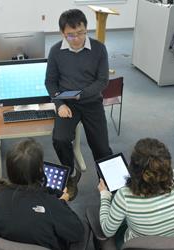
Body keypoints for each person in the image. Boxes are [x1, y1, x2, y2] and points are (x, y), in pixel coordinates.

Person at [45, 9, 112, 199]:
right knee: (60, 139)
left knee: (101, 147)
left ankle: (106, 182)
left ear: (86, 29)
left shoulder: (99, 49)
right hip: (67, 104)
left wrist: (81, 95)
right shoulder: (56, 51)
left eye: (81, 33)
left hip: (91, 102)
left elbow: (102, 81)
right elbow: (50, 82)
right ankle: (71, 175)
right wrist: (60, 104)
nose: (76, 39)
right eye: (70, 35)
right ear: (62, 33)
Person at [0, 138, 84, 250]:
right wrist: (62, 202)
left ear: (9, 168)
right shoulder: (52, 205)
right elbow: (77, 233)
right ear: (40, 170)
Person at [97, 138, 174, 249]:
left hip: (137, 246)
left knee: (117, 212)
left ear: (133, 169)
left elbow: (107, 231)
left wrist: (104, 195)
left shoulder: (125, 196)